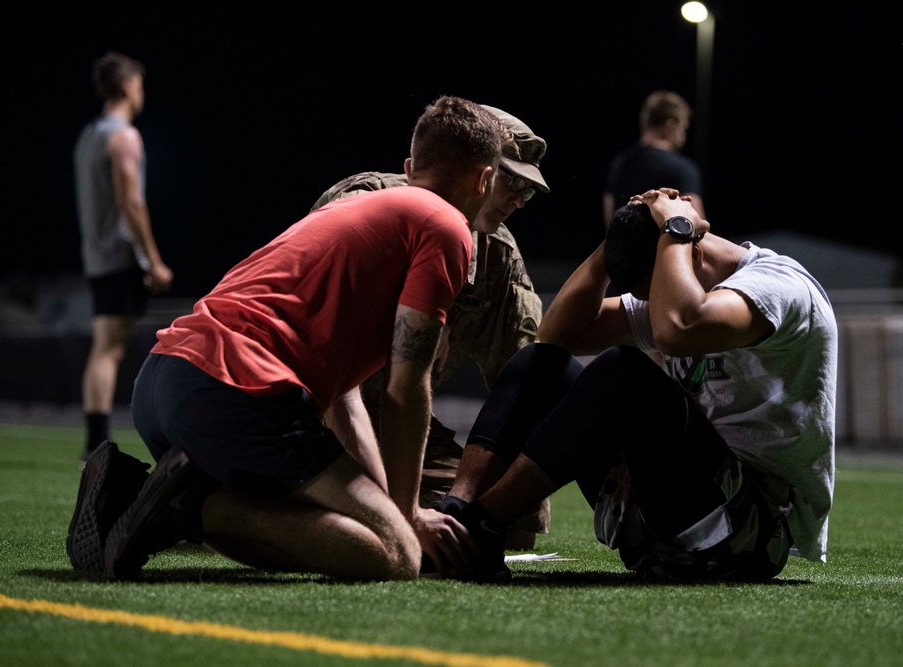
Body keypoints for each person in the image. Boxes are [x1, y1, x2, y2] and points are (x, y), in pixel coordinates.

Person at [66, 95, 509, 582]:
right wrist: (408, 517)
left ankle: (161, 499)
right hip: (236, 390)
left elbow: (344, 398)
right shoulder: (447, 226)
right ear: (484, 179)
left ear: (410, 166)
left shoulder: (365, 210)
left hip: (164, 382)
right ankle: (180, 508)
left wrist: (387, 507)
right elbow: (407, 387)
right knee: (396, 557)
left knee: (373, 528)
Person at [433, 188, 837, 583]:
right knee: (540, 363)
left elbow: (678, 328)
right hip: (670, 512)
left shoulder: (778, 287)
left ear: (691, 249)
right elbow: (557, 335)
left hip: (746, 535)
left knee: (622, 370)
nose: (652, 303)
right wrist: (615, 243)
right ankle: (456, 514)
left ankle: (480, 527)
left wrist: (676, 228)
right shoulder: (676, 285)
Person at [309, 105, 550, 551]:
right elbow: (320, 334)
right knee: (362, 529)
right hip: (317, 406)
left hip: (398, 418)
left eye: (528, 192)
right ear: (477, 172)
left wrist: (523, 492)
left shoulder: (498, 256)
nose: (519, 198)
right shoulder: (365, 198)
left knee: (504, 528)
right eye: (510, 180)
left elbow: (520, 371)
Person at [73, 51, 174, 464]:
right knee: (109, 348)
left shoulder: (88, 136)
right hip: (120, 257)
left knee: (104, 346)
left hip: (95, 256)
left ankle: (94, 440)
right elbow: (131, 202)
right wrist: (153, 261)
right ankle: (96, 445)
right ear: (130, 84)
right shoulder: (124, 136)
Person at [602, 91, 705, 226]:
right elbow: (697, 226)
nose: (683, 136)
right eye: (683, 128)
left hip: (624, 245)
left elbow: (610, 220)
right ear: (671, 125)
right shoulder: (682, 168)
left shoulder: (619, 164)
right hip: (667, 247)